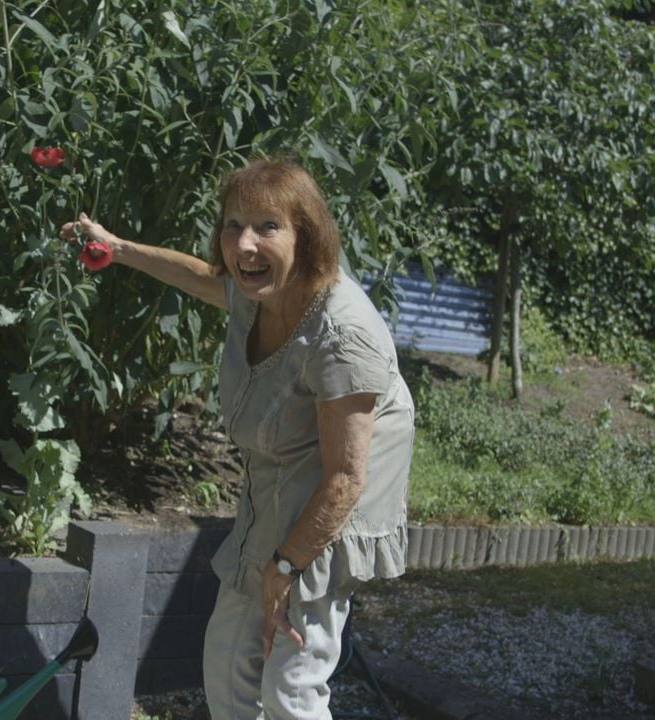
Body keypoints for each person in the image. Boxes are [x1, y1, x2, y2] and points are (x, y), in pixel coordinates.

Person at [61, 158, 414, 720]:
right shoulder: (259, 290)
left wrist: (287, 567)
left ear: (307, 235)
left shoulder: (345, 336)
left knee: (290, 688)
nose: (243, 243)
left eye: (267, 227)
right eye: (232, 225)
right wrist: (119, 247)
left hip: (333, 499)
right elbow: (205, 278)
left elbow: (345, 479)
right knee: (226, 666)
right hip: (279, 477)